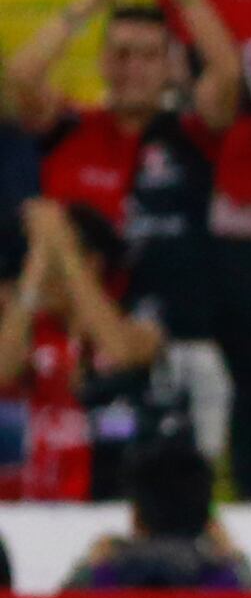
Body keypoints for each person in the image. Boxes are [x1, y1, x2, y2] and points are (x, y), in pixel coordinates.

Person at [8, 0, 244, 472]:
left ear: (167, 66)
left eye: (146, 56)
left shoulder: (189, 137)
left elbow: (228, 75)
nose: (131, 67)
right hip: (77, 353)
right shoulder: (71, 129)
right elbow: (20, 76)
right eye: (119, 55)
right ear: (102, 63)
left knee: (180, 491)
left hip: (174, 352)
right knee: (83, 478)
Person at [0, 200, 167, 501]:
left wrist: (65, 254)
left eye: (52, 262)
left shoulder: (131, 317)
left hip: (108, 495)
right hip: (24, 505)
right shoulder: (24, 327)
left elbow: (121, 352)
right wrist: (37, 263)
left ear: (91, 263)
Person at [62, 438, 251, 591]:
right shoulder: (230, 586)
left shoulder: (99, 582)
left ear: (136, 518)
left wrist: (90, 565)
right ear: (208, 522)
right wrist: (235, 561)